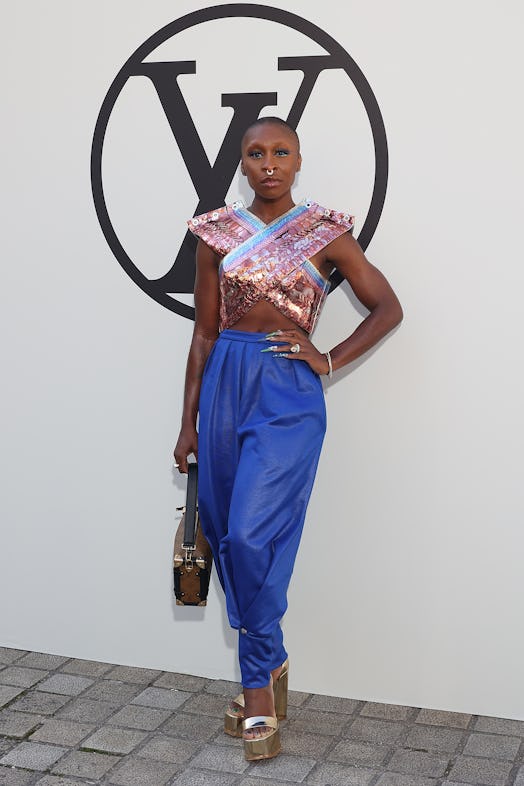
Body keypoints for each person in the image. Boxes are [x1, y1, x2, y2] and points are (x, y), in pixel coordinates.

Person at [173, 116, 403, 761]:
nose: (269, 162)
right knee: (222, 533)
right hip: (223, 383)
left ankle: (258, 693)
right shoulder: (216, 233)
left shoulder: (326, 233)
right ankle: (268, 662)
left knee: (251, 534)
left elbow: (388, 307)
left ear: (298, 161)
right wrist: (187, 421)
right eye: (256, 153)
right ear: (241, 164)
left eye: (281, 151)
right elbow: (202, 334)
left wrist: (326, 357)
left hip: (286, 395)